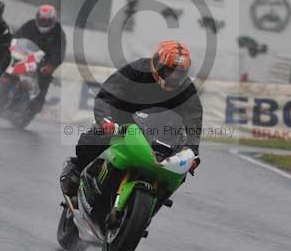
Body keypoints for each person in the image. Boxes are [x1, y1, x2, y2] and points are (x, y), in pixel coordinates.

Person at [60, 40, 202, 197]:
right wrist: (105, 119)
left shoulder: (186, 89)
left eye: (179, 74)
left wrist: (192, 151)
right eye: (169, 71)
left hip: (159, 132)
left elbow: (193, 118)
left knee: (180, 169)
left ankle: (157, 198)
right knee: (95, 140)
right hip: (122, 120)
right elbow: (108, 92)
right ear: (157, 63)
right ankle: (77, 170)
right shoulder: (137, 70)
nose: (173, 78)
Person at [14, 5, 66, 114]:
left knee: (43, 82)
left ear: (53, 20)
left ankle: (34, 107)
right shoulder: (29, 25)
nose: (44, 23)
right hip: (24, 57)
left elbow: (59, 52)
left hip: (43, 63)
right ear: (37, 18)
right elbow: (16, 37)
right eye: (41, 20)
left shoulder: (58, 33)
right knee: (5, 69)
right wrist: (10, 47)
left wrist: (51, 65)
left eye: (47, 21)